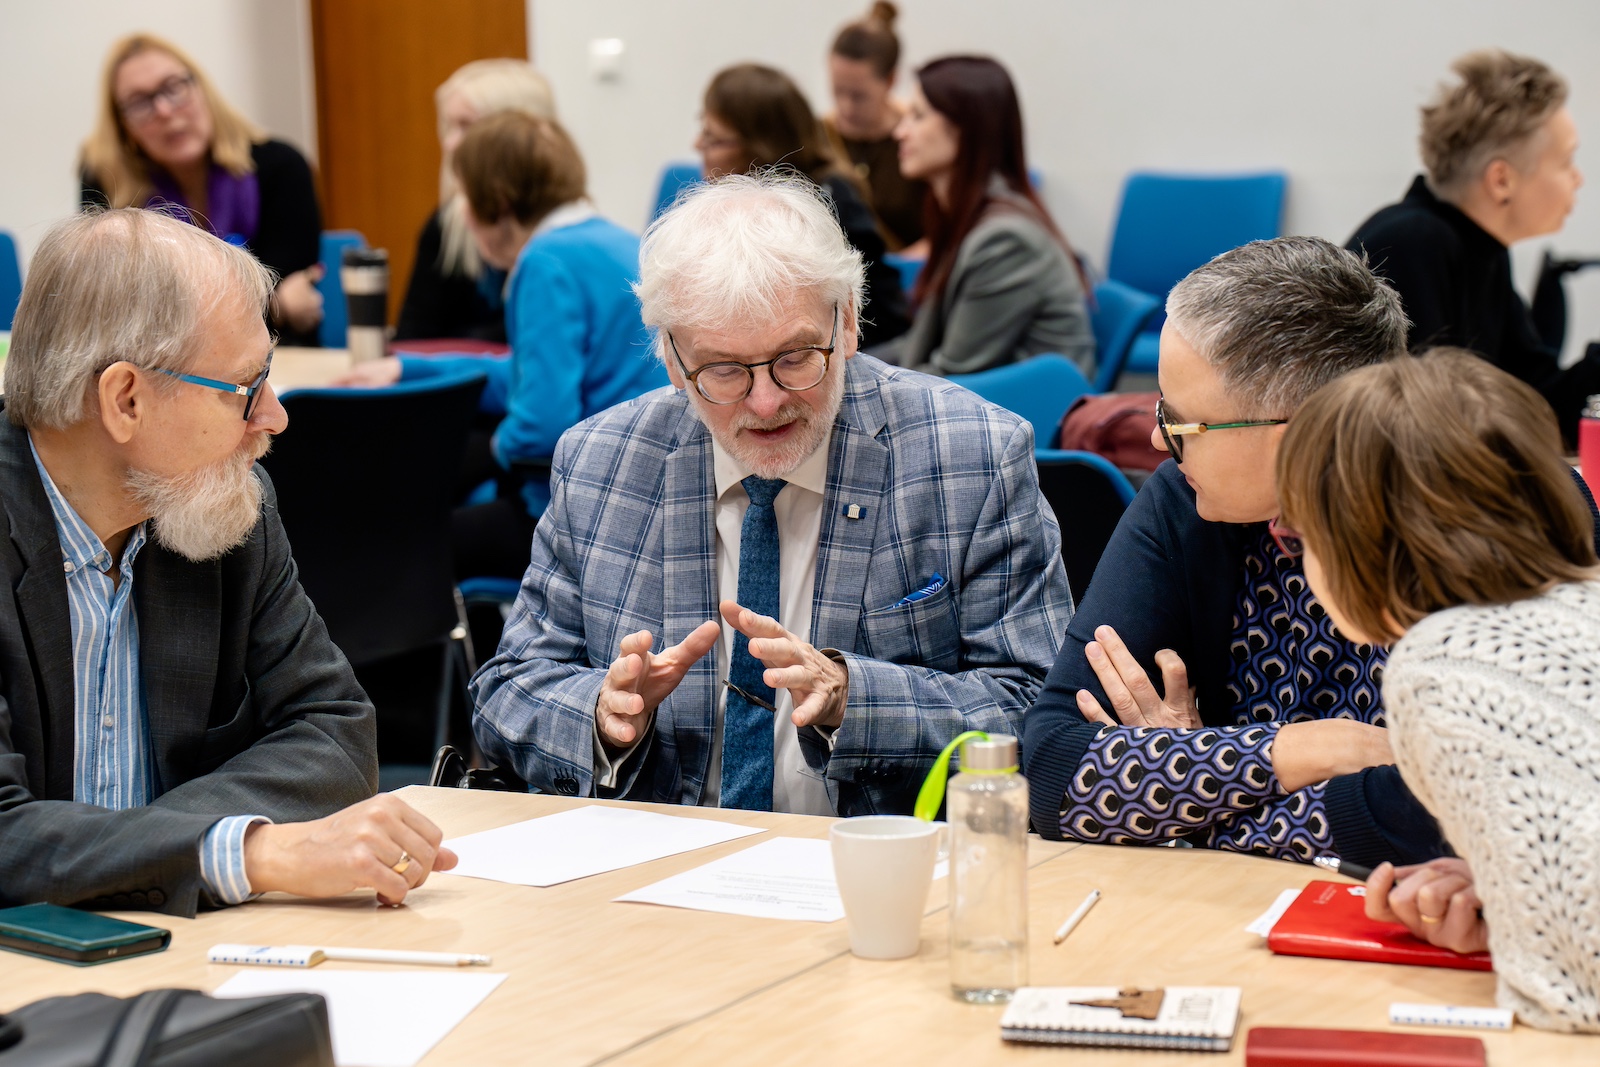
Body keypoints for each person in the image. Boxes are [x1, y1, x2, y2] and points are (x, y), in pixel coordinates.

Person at [471, 172, 1071, 817]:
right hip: (658, 867)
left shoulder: (971, 455)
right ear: (672, 361)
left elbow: (1038, 708)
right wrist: (600, 713)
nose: (765, 401)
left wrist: (853, 699)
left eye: (794, 357)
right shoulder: (602, 462)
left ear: (846, 322)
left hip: (874, 866)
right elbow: (507, 690)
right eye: (723, 369)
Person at [0, 208, 456, 916]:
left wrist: (138, 853)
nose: (273, 416)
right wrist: (244, 851)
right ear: (126, 399)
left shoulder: (222, 508)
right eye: (245, 386)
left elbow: (335, 732)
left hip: (176, 948)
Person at [1022, 236, 1453, 868]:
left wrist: (1183, 792)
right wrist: (1298, 751)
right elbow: (1053, 770)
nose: (1155, 436)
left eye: (1182, 422)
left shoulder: (1485, 520)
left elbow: (1438, 811)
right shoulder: (1187, 499)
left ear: (1301, 431)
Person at [1275, 350, 1600, 1033]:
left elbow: (1570, 995)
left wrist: (1524, 940)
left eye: (1301, 532)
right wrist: (1503, 901)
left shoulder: (1441, 667)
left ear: (1358, 539)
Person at [337, 113, 666, 580]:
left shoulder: (544, 262)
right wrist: (407, 369)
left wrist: (488, 449)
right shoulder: (617, 240)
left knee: (391, 549)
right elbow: (531, 371)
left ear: (500, 202)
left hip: (585, 515)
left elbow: (540, 426)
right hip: (640, 493)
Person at [1347, 49, 1600, 445]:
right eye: (1567, 162)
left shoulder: (1479, 251)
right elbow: (1423, 432)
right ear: (1502, 180)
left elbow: (1540, 403)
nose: (1578, 179)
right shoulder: (1414, 244)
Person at [80, 33, 324, 347]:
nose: (165, 111)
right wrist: (275, 305)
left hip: (274, 359)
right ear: (122, 125)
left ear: (201, 89)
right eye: (140, 102)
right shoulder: (106, 184)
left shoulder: (281, 167)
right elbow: (111, 313)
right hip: (157, 370)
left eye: (173, 87)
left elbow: (296, 299)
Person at [887, 55, 1093, 376]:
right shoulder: (966, 216)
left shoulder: (1005, 240)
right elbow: (917, 345)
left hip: (1031, 412)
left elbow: (954, 373)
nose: (900, 131)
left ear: (966, 129)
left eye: (917, 116)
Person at [697, 63, 909, 348]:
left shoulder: (818, 207)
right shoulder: (737, 204)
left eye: (714, 138)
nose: (698, 144)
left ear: (760, 147)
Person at [394, 59, 556, 344]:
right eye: (450, 127)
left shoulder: (564, 229)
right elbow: (413, 339)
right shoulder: (446, 226)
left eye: (466, 125)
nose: (451, 143)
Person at [822, 1, 927, 251]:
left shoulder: (921, 137)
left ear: (890, 80)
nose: (846, 107)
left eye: (859, 96)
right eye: (838, 92)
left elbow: (954, 224)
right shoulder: (816, 137)